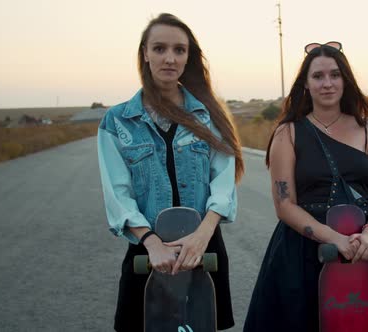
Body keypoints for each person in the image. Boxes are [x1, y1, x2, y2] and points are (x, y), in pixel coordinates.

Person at [97, 13, 244, 332]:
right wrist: (151, 242)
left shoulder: (209, 115)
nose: (169, 58)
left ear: (188, 57)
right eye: (160, 48)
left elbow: (223, 181)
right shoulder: (118, 122)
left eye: (179, 50)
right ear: (145, 54)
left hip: (204, 246)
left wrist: (202, 236)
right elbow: (117, 193)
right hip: (148, 250)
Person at [243, 41, 368, 331]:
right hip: (301, 254)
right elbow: (284, 205)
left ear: (345, 80)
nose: (327, 83)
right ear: (306, 84)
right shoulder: (288, 132)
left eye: (335, 75)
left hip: (361, 251)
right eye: (318, 76)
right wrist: (334, 239)